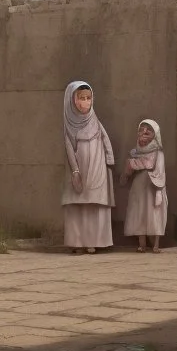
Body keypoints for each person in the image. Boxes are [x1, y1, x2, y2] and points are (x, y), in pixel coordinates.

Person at [62, 81, 115, 254]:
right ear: (72, 100)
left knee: (95, 204)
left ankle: (94, 241)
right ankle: (77, 242)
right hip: (80, 170)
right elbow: (69, 147)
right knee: (77, 205)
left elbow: (105, 138)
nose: (85, 102)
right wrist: (75, 170)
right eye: (81, 98)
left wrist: (109, 157)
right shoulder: (69, 124)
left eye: (88, 98)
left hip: (97, 169)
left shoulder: (95, 120)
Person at [120, 119, 168, 253]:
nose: (144, 132)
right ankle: (142, 244)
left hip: (153, 187)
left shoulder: (158, 152)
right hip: (139, 187)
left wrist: (159, 190)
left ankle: (156, 245)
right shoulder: (136, 151)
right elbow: (130, 168)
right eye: (142, 129)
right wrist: (129, 168)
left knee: (154, 214)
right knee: (139, 213)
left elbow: (159, 170)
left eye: (149, 130)